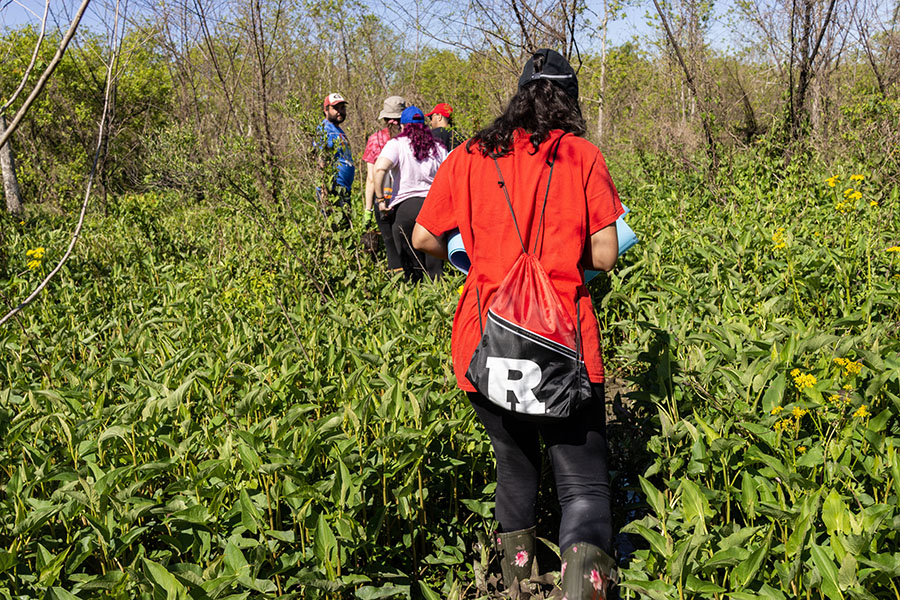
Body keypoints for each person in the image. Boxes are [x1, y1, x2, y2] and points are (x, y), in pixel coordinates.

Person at [412, 49, 623, 599]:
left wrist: (475, 254)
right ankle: (587, 590)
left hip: (485, 342)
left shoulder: (469, 154)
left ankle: (517, 585)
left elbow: (423, 238)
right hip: (563, 342)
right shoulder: (581, 156)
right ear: (570, 101)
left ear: (520, 97)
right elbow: (603, 255)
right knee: (582, 486)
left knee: (515, 466)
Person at [373, 106, 448, 282]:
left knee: (411, 270)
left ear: (403, 126)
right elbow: (450, 175)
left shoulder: (397, 145)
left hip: (405, 209)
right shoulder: (438, 147)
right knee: (435, 269)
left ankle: (414, 306)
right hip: (432, 207)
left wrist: (381, 200)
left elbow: (379, 169)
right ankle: (441, 301)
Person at [362, 96, 406, 273]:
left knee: (389, 242)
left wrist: (368, 209)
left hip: (383, 198)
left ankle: (396, 284)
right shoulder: (412, 138)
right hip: (406, 197)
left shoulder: (376, 139)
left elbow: (371, 178)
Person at [315, 93, 355, 211]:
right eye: (335, 108)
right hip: (333, 189)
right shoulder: (325, 130)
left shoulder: (338, 130)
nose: (340, 111)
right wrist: (324, 190)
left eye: (342, 108)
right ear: (326, 110)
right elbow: (321, 160)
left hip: (343, 189)